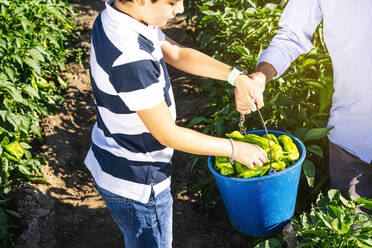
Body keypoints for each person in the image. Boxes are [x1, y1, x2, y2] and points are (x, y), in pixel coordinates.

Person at [84, 0, 268, 247]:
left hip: (116, 156)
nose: (180, 9)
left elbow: (176, 52)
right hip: (140, 182)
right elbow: (168, 134)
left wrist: (236, 77)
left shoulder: (122, 17)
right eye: (172, 2)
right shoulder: (130, 57)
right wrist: (235, 148)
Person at [245, 0, 372, 210]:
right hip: (351, 140)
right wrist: (260, 76)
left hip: (350, 135)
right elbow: (291, 35)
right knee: (352, 232)